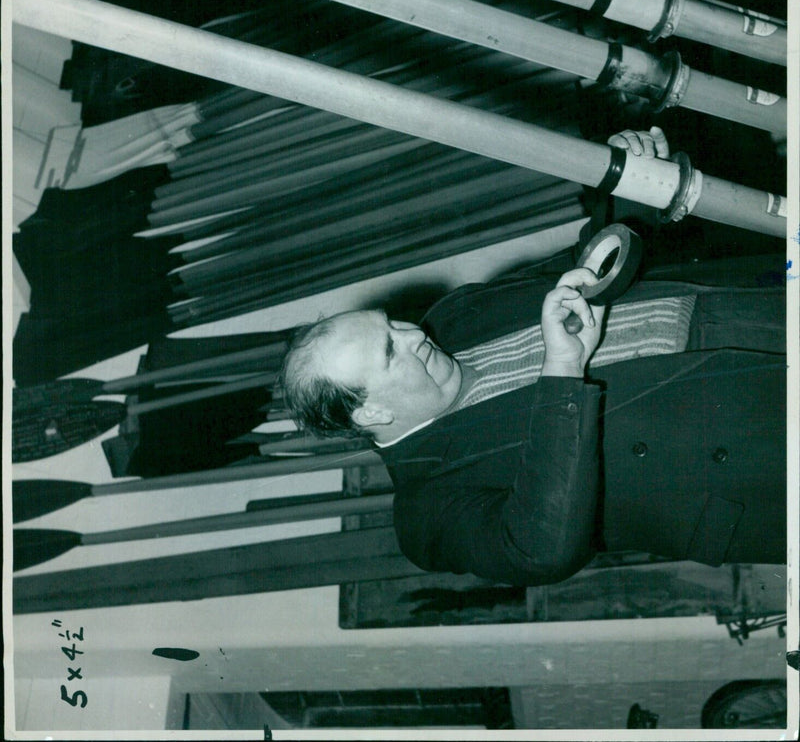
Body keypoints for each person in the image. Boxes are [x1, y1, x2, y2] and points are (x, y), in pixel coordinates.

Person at [281, 129, 786, 586]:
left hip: (738, 305)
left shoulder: (453, 318)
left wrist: (632, 182)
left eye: (392, 322)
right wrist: (562, 372)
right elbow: (539, 551)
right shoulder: (426, 512)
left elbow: (582, 265)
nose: (414, 332)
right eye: (391, 350)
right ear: (371, 412)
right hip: (755, 452)